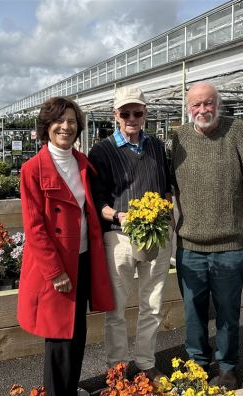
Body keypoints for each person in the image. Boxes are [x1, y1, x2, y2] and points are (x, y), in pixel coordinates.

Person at [171, 82, 243, 390]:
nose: (202, 110)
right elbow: (165, 185)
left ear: (218, 104)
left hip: (229, 244)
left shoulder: (237, 131)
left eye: (208, 103)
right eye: (196, 105)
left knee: (228, 312)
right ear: (188, 109)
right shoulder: (177, 138)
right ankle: (198, 364)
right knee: (193, 312)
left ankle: (227, 366)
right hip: (189, 246)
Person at [17, 97, 114, 396]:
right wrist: (55, 272)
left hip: (83, 257)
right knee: (59, 337)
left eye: (72, 121)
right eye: (59, 121)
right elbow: (34, 229)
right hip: (56, 265)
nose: (66, 126)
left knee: (78, 330)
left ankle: (70, 389)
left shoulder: (82, 163)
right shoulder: (32, 169)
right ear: (47, 127)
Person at [88, 86, 172, 383]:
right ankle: (118, 367)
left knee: (153, 302)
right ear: (116, 116)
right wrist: (118, 215)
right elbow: (97, 201)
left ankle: (146, 362)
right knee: (117, 307)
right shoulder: (102, 151)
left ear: (145, 114)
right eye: (125, 113)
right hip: (120, 238)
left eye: (137, 112)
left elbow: (166, 187)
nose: (132, 118)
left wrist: (164, 207)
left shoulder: (157, 147)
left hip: (157, 236)